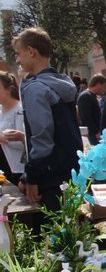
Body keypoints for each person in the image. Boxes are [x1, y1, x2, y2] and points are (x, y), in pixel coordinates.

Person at [12, 28, 81, 210]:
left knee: (53, 225)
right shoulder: (62, 82)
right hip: (70, 170)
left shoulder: (36, 88)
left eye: (18, 54)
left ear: (31, 51)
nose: (17, 60)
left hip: (49, 177)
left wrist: (32, 176)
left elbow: (42, 137)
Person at [0, 72, 26, 185]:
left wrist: (2, 139)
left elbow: (22, 143)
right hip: (4, 165)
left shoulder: (19, 110)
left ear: (8, 90)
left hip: (18, 169)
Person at [77, 74, 106, 145]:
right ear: (98, 84)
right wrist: (96, 132)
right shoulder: (86, 96)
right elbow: (86, 117)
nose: (104, 90)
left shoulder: (90, 96)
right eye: (104, 87)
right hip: (91, 134)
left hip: (93, 133)